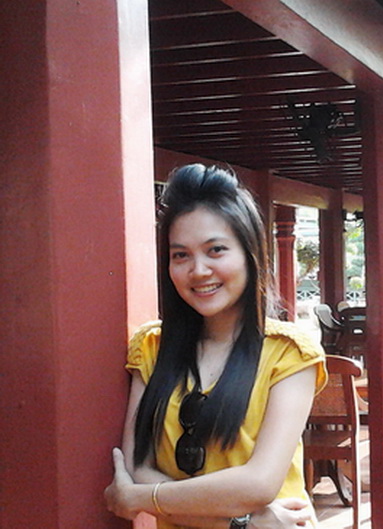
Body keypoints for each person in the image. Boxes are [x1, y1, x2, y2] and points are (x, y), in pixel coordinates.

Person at [105, 164, 327, 529]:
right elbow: (136, 466)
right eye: (181, 255)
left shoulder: (290, 353)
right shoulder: (152, 348)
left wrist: (142, 498)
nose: (198, 270)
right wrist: (243, 523)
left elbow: (259, 484)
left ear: (250, 254)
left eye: (216, 250)